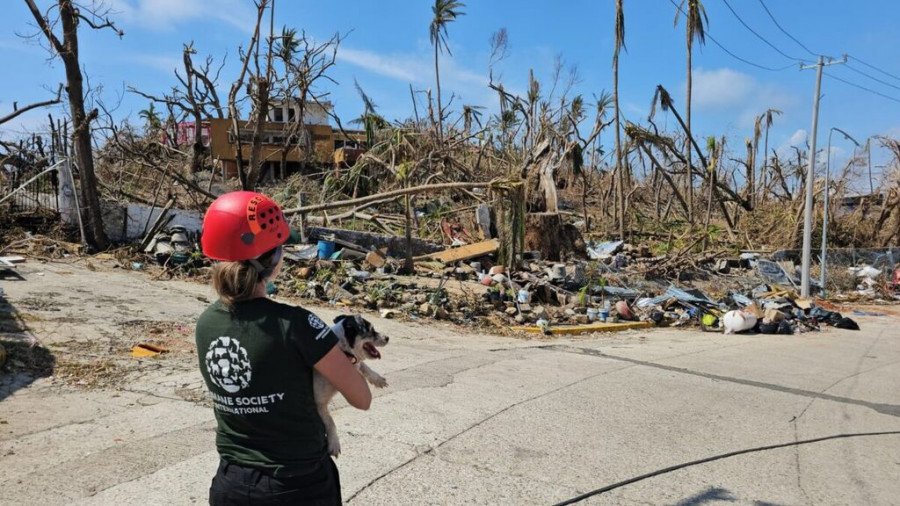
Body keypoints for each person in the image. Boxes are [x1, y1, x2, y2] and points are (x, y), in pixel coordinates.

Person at [196, 191, 371, 505]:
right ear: (274, 260)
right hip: (297, 485)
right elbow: (362, 398)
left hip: (230, 486)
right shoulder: (297, 324)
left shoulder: (206, 323)